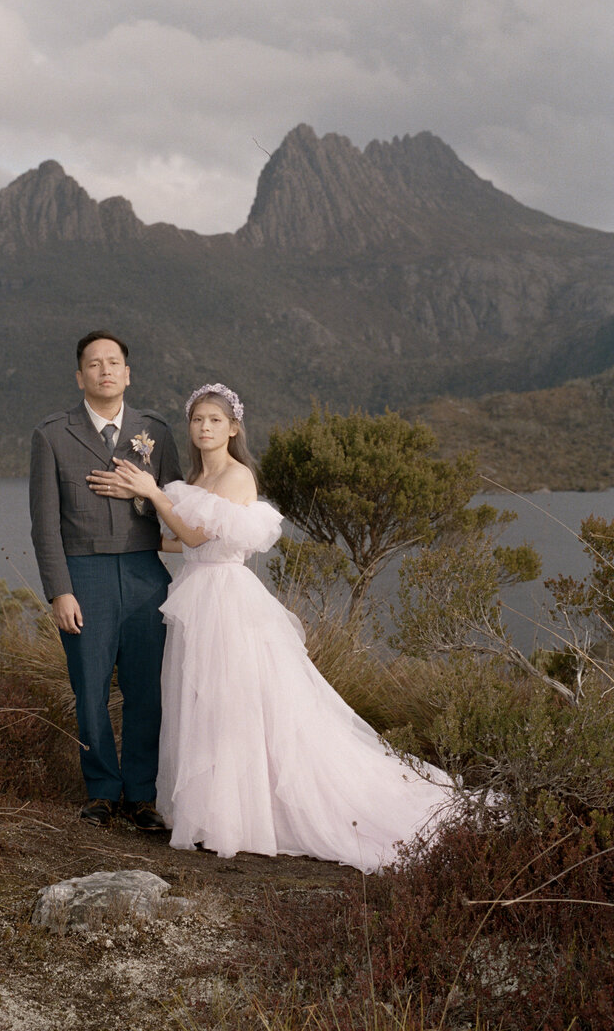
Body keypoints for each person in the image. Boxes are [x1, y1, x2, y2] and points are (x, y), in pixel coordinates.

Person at [107, 382, 454, 871]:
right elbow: (181, 546)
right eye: (197, 419)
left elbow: (196, 533)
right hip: (196, 595)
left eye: (215, 420)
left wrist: (152, 495)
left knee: (231, 702)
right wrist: (137, 510)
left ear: (233, 428)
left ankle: (239, 817)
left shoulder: (236, 476)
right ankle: (208, 812)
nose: (204, 428)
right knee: (200, 699)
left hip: (226, 602)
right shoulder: (192, 482)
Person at [29, 331, 182, 830]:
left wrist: (146, 489)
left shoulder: (155, 432)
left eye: (113, 362)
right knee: (89, 687)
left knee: (147, 689)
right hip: (85, 575)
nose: (105, 370)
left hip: (144, 576)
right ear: (80, 376)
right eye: (94, 364)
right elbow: (44, 523)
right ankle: (101, 791)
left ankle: (141, 795)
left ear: (128, 373)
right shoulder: (52, 434)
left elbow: (177, 509)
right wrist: (60, 589)